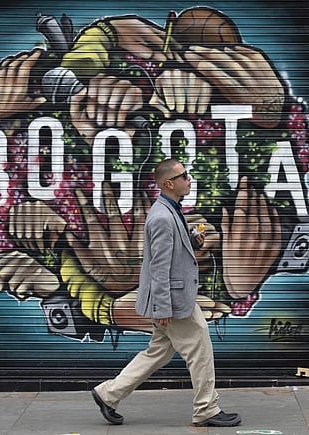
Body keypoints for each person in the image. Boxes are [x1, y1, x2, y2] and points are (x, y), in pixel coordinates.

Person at [91, 158, 242, 427]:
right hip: (174, 300)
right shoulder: (162, 217)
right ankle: (206, 409)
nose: (189, 179)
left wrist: (192, 241)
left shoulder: (170, 209)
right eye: (184, 175)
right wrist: (163, 308)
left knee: (158, 352)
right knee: (201, 350)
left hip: (173, 298)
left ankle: (108, 394)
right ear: (169, 183)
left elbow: (171, 252)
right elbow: (159, 267)